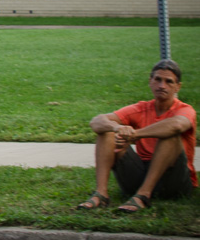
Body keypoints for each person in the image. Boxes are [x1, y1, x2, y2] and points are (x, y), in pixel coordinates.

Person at [78, 59, 196, 213]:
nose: (162, 86)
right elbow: (96, 122)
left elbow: (177, 125)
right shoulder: (141, 108)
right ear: (150, 82)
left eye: (169, 82)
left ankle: (143, 195)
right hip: (140, 173)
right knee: (106, 131)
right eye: (157, 79)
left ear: (177, 87)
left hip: (175, 181)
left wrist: (136, 135)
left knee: (170, 135)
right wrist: (118, 128)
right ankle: (101, 194)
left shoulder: (185, 109)